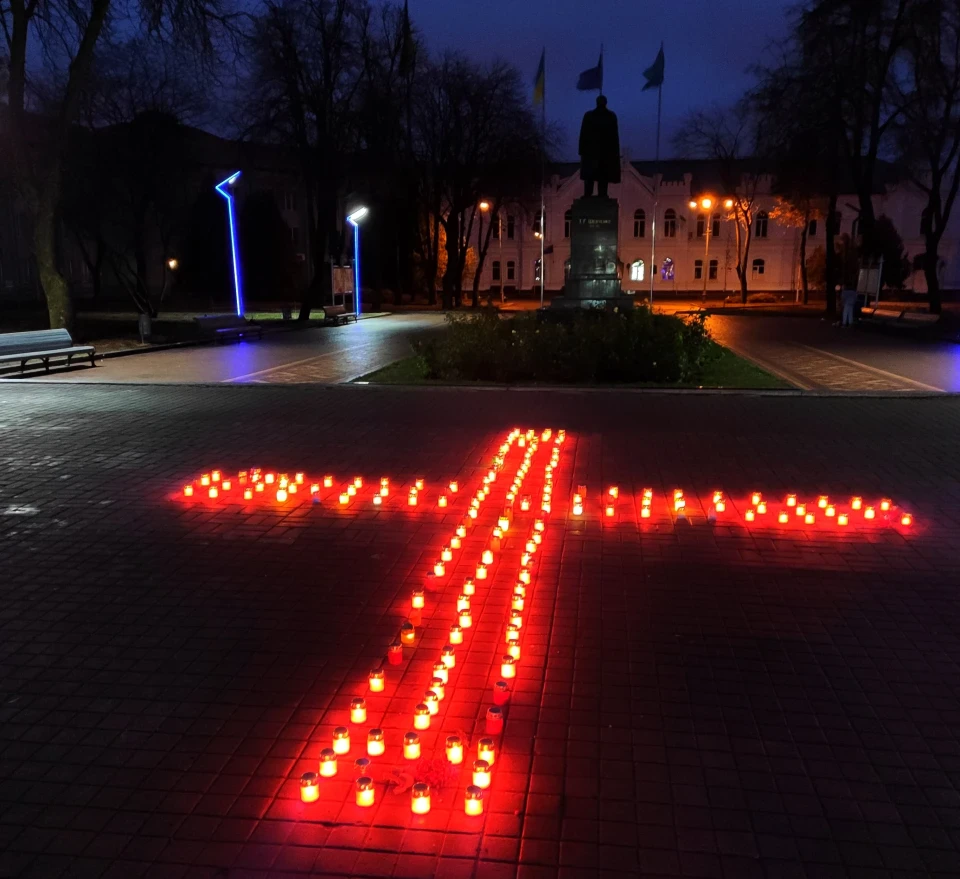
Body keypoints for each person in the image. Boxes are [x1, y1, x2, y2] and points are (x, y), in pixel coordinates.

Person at [578, 96, 621, 198]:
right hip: (602, 154)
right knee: (600, 176)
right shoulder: (610, 116)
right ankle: (598, 194)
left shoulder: (589, 116)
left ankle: (591, 194)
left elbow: (583, 135)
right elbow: (615, 138)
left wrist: (581, 150)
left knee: (594, 176)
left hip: (593, 153)